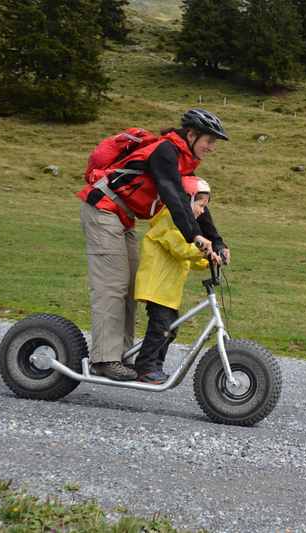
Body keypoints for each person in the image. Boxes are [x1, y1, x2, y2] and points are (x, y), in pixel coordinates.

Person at [77, 109, 230, 381]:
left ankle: (119, 356)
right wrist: (193, 236)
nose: (212, 148)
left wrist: (217, 240)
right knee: (113, 286)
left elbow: (195, 203)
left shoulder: (184, 161)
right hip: (103, 208)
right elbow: (173, 195)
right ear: (192, 135)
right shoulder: (166, 152)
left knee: (130, 286)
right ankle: (105, 359)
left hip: (122, 216)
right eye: (209, 141)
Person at [133, 176, 212, 384]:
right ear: (186, 200)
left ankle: (155, 365)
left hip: (167, 291)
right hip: (156, 287)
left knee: (171, 329)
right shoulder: (169, 218)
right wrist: (205, 252)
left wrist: (208, 262)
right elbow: (180, 249)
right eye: (200, 205)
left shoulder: (186, 228)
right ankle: (145, 367)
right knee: (160, 328)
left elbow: (189, 258)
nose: (202, 211)